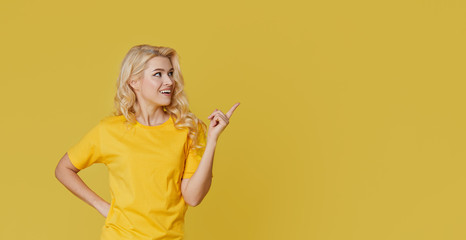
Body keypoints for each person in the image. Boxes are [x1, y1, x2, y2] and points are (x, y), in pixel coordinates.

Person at [54, 44, 240, 240]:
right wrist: (103, 207)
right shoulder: (109, 130)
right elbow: (63, 169)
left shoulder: (189, 129)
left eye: (170, 73)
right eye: (158, 74)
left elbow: (193, 198)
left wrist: (212, 140)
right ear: (134, 81)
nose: (169, 81)